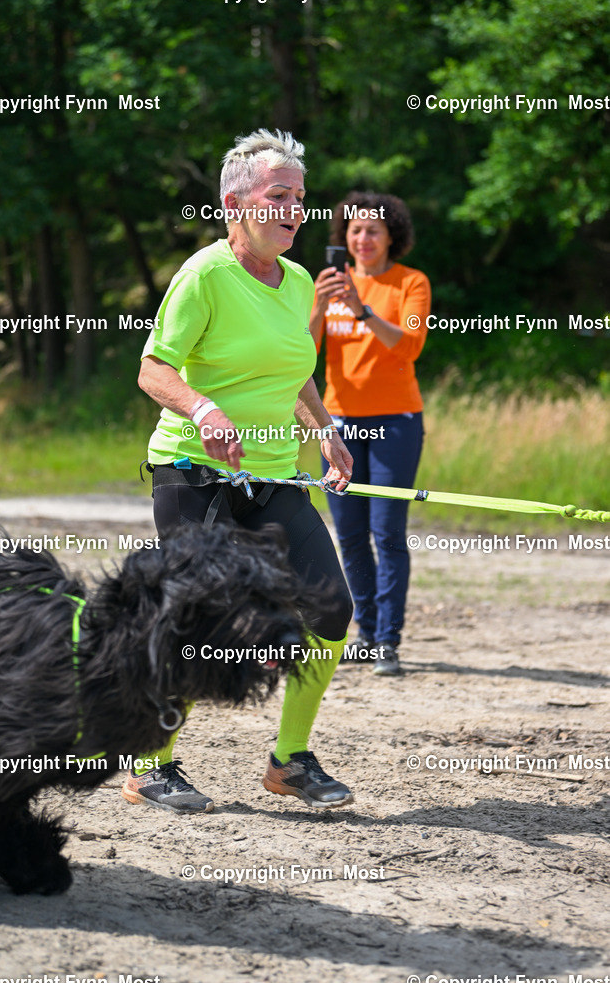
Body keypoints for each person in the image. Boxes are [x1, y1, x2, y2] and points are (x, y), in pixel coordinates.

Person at [124, 129, 356, 814]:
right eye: (278, 195)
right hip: (194, 474)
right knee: (203, 622)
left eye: (300, 198)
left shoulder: (296, 283)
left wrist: (326, 430)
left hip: (273, 478)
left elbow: (292, 371)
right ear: (235, 204)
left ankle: (290, 761)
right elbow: (152, 369)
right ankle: (151, 766)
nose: (294, 210)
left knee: (331, 608)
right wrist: (203, 409)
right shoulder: (205, 275)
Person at [310, 192, 431, 676]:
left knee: (388, 532)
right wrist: (319, 306)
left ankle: (388, 641)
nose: (363, 238)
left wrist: (361, 310)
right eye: (355, 230)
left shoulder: (411, 283)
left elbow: (410, 345)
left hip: (396, 422)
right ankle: (365, 632)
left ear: (390, 236)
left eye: (373, 230)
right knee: (350, 535)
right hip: (338, 423)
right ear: (344, 236)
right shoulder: (325, 284)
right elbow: (302, 353)